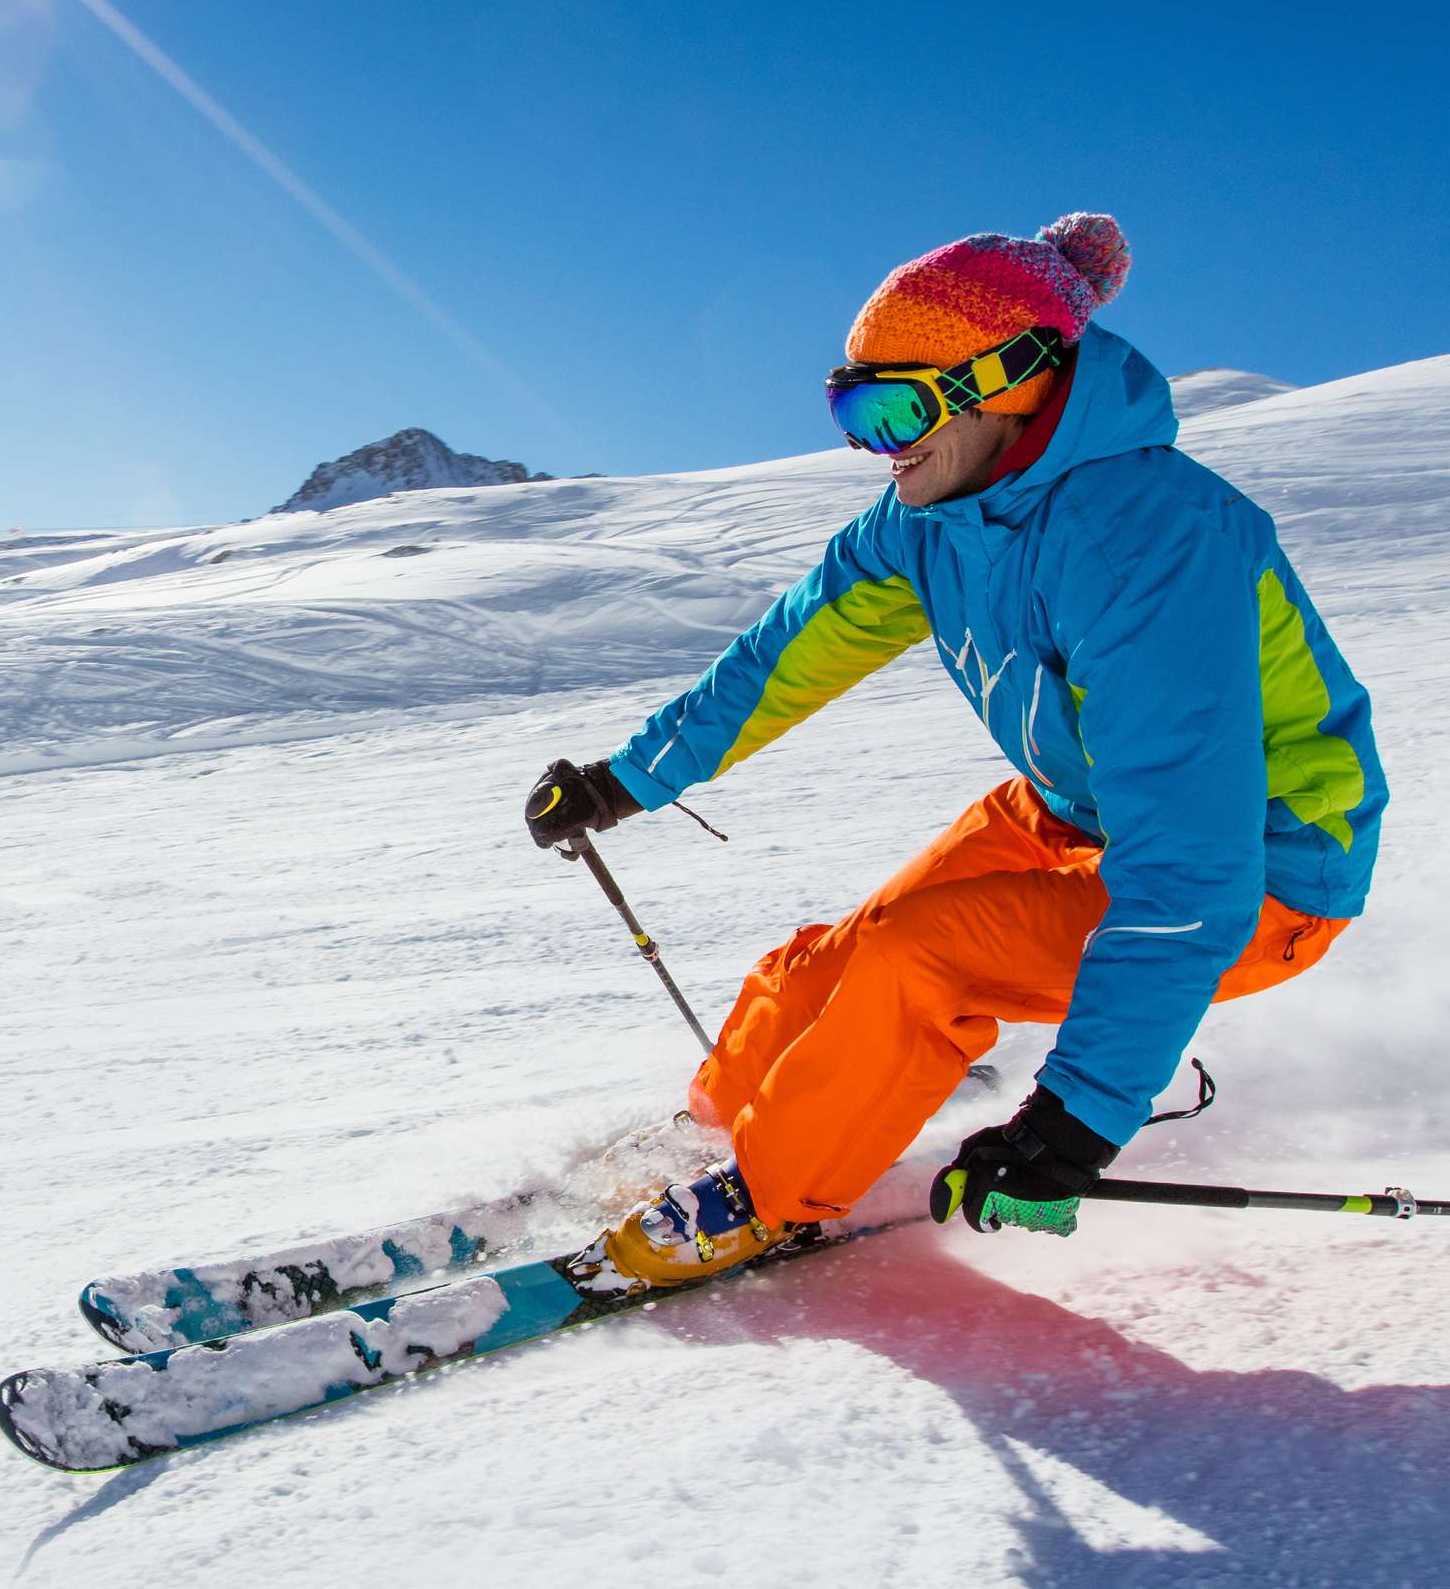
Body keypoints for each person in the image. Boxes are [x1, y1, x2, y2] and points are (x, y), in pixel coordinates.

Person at [522, 213, 1383, 1283]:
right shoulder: (926, 517)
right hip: (1071, 810)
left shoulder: (1149, 540)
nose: (875, 446)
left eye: (895, 408)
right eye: (852, 408)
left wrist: (1079, 1116)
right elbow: (792, 649)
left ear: (1009, 379)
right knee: (835, 955)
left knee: (915, 961)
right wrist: (629, 777)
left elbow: (1190, 867)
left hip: (1264, 866)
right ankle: (718, 1128)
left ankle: (765, 1193)